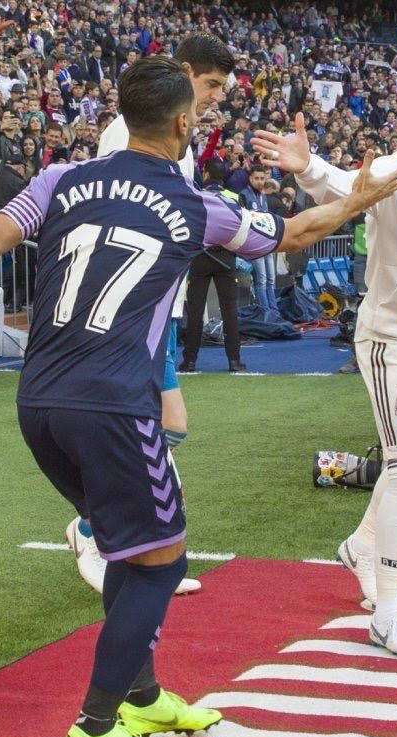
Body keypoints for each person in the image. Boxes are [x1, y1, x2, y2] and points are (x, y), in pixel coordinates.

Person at [0, 56, 397, 737]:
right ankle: (93, 727)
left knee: (129, 544)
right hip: (112, 403)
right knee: (160, 559)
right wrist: (360, 197)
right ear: (184, 124)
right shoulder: (190, 202)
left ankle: (142, 696)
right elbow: (296, 234)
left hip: (39, 399)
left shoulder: (60, 179)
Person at [253, 67, 397, 659]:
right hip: (392, 341)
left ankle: (360, 545)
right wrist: (307, 166)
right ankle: (389, 611)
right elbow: (341, 184)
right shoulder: (396, 169)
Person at [69, 33, 235, 598]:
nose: (215, 97)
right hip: (129, 307)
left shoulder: (179, 139)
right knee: (145, 429)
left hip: (153, 302)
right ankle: (98, 535)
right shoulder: (133, 133)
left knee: (171, 428)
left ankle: (130, 541)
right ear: (184, 72)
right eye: (211, 84)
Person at [180, 157, 244, 372]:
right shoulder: (235, 198)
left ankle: (189, 360)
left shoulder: (196, 196)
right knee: (230, 311)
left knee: (196, 311)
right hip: (226, 258)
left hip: (200, 256)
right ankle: (234, 360)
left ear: (205, 173)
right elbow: (241, 229)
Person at [239, 164, 278, 310]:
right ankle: (266, 312)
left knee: (271, 279)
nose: (260, 181)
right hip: (255, 244)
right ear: (250, 178)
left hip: (267, 242)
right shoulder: (243, 194)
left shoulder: (263, 195)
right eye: (256, 178)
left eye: (262, 178)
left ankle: (274, 311)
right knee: (261, 280)